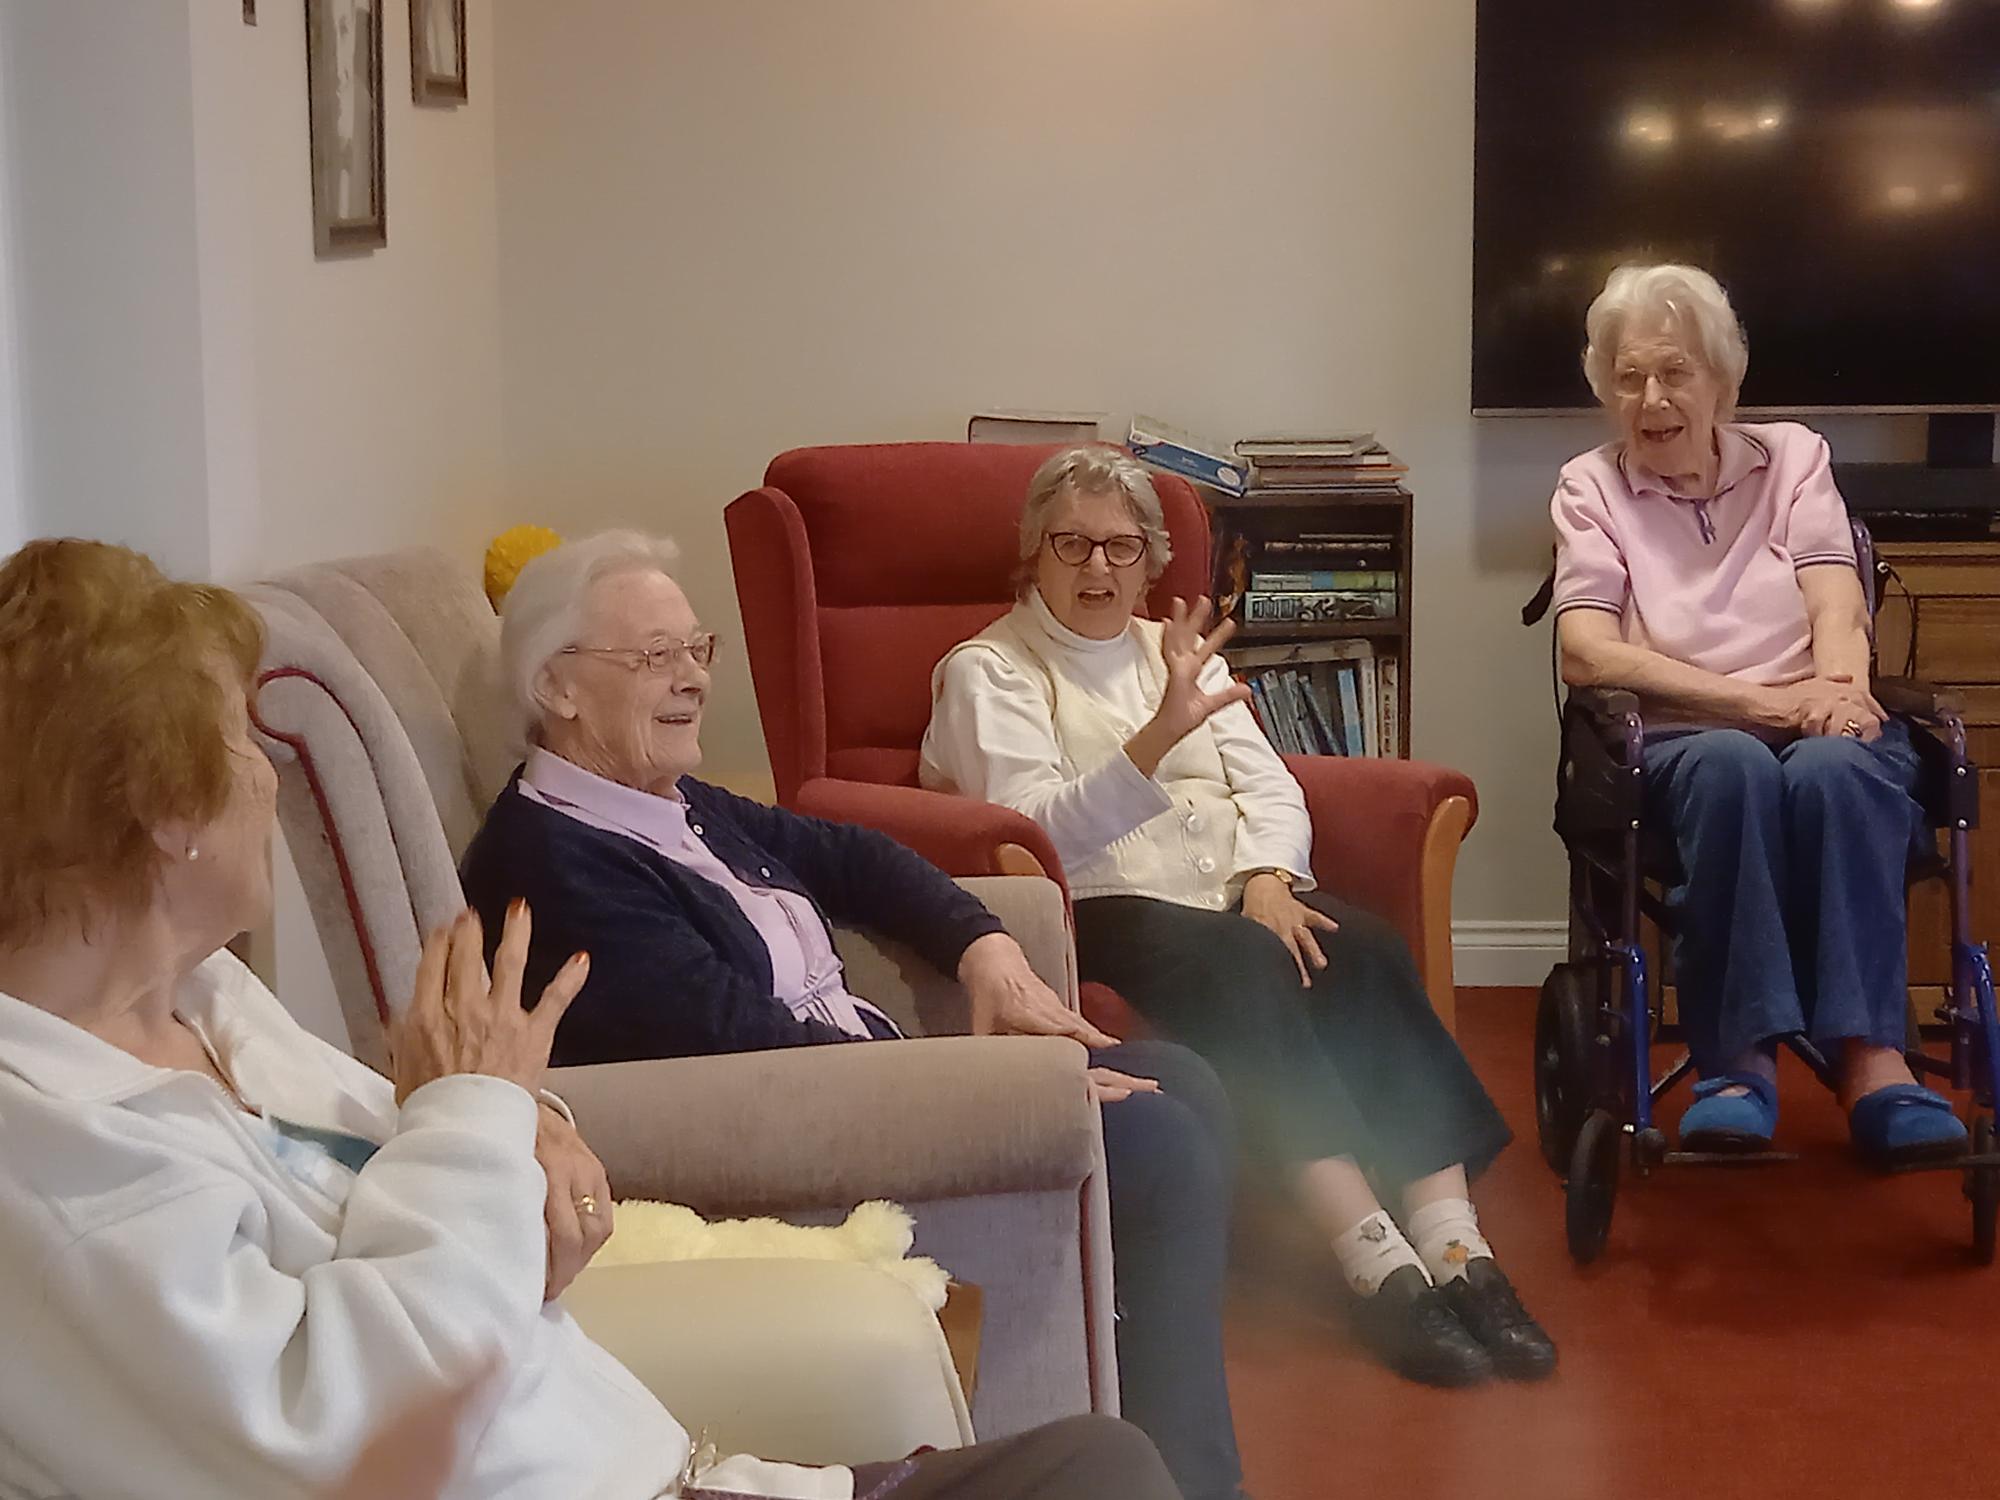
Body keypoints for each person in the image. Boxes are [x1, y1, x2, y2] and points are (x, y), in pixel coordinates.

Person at [0, 537, 1183, 1500]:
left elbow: (439, 1146)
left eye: (692, 648)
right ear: (165, 809)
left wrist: (531, 1124)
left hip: (669, 1462)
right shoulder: (66, 1179)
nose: (264, 777)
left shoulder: (207, 997)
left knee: (1102, 1461)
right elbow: (349, 1425)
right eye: (232, 745)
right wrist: (481, 1115)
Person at [460, 532, 1246, 1500]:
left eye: (694, 650)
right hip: (802, 1137)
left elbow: (855, 857)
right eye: (652, 657)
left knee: (1185, 1083)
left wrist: (983, 948)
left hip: (867, 1083)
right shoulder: (554, 864)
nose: (692, 682)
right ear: (557, 689)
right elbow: (737, 1044)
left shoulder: (667, 801)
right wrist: (997, 1091)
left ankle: (1171, 1453)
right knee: (1157, 1141)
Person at [920, 446, 1556, 1388]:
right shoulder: (990, 670)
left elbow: (1270, 783)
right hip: (1095, 910)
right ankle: (1375, 1262)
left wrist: (1269, 875)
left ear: (1149, 560)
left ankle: (1460, 1252)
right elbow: (1033, 830)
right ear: (1034, 555)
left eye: (1121, 548)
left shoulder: (1167, 647)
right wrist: (1156, 737)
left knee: (1365, 949)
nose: (1098, 568)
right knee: (1246, 969)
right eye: (1073, 545)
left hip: (1228, 900)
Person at [1545, 261, 1960, 1163]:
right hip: (1687, 736)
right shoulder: (1591, 485)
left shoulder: (1795, 458)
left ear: (1723, 382)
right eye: (1629, 378)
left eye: (1675, 373)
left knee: (1842, 769)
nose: (1652, 399)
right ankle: (1735, 1062)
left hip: (1819, 718)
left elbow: (1834, 599)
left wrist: (1844, 691)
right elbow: (1586, 650)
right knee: (1732, 767)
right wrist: (1760, 702)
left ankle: (1873, 1058)